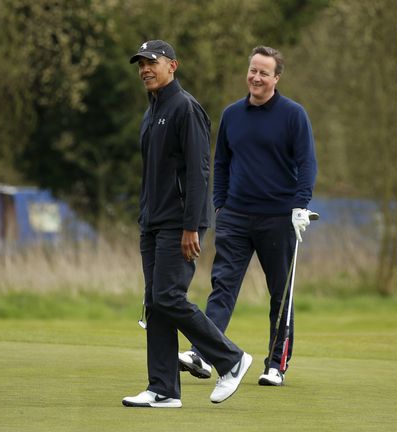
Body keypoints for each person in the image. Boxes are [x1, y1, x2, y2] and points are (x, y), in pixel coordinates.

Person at [122, 40, 252, 408]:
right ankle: (163, 388)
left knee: (167, 296)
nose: (145, 69)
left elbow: (199, 171)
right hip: (152, 222)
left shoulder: (185, 108)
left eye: (153, 62)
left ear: (173, 65)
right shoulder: (152, 111)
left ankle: (231, 359)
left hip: (179, 224)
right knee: (155, 302)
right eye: (141, 64)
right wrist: (144, 217)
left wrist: (193, 225)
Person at [178, 45, 317, 387]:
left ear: (276, 78)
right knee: (222, 288)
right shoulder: (232, 114)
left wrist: (300, 205)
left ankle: (275, 365)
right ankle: (202, 353)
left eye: (264, 72)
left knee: (280, 294)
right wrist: (221, 204)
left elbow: (307, 163)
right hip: (236, 216)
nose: (256, 77)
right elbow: (221, 163)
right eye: (253, 70)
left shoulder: (293, 114)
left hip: (278, 218)